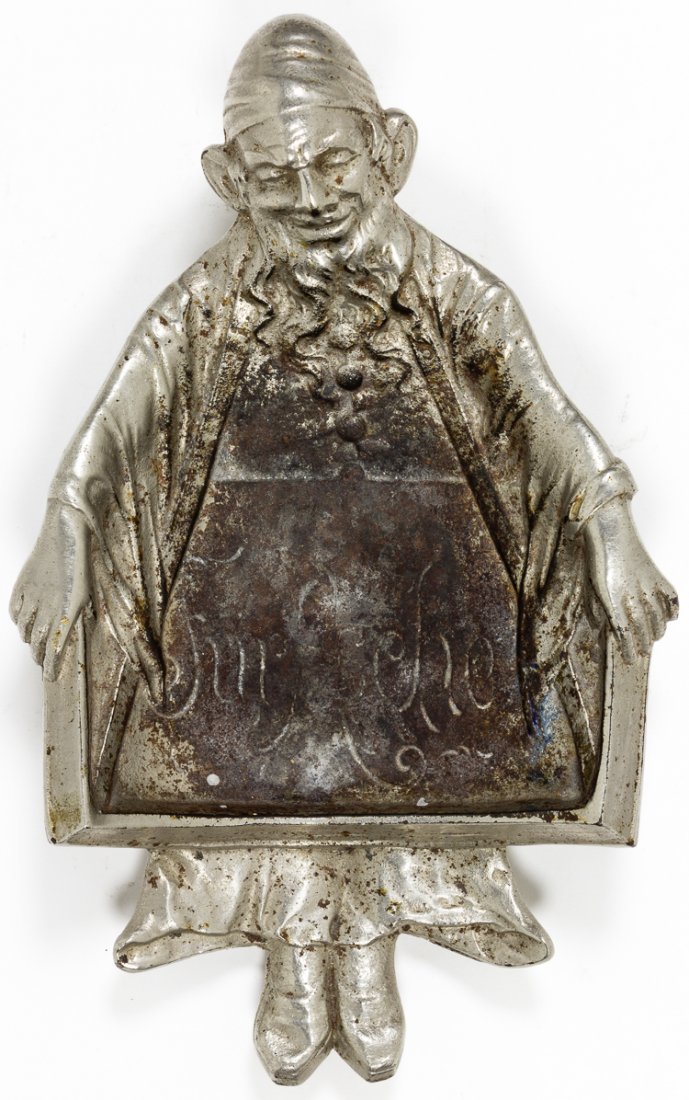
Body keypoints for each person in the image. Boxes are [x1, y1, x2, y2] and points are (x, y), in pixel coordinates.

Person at [10, 15, 677, 1084]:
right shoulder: (207, 299)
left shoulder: (454, 289)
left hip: (415, 595)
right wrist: (64, 521)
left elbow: (540, 410)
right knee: (248, 745)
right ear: (229, 180)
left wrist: (608, 524)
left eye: (332, 164)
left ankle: (364, 939)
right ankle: (292, 945)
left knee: (419, 740)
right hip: (250, 600)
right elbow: (123, 411)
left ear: (389, 151)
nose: (312, 197)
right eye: (276, 178)